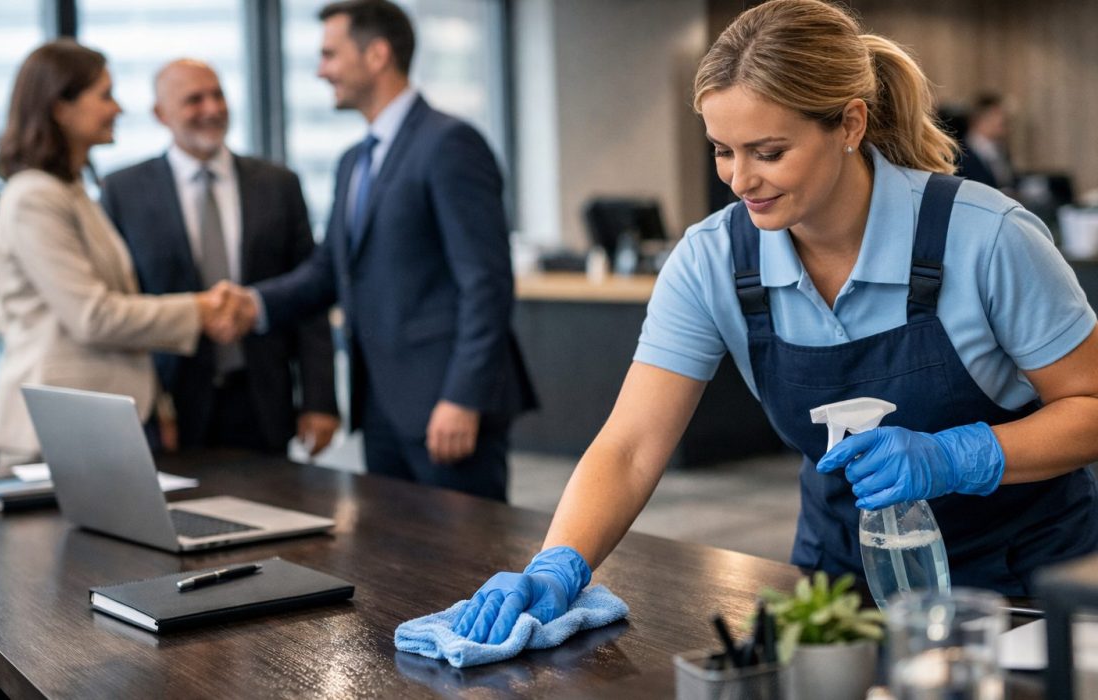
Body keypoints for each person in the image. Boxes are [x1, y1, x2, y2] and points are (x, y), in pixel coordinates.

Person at [452, 0, 1098, 645]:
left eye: (768, 151)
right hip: (842, 592)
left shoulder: (986, 237)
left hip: (1026, 592)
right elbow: (630, 446)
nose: (739, 179)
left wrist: (960, 455)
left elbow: (1090, 404)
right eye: (722, 151)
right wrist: (559, 562)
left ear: (849, 124)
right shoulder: (712, 260)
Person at [226, 0, 537, 501]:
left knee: (466, 565)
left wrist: (462, 396)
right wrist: (253, 304)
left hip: (446, 405)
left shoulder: (450, 142)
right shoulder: (354, 160)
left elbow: (487, 282)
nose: (321, 70)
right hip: (382, 406)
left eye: (330, 54)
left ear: (377, 55)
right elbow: (330, 269)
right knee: (398, 564)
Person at [0, 40, 246, 471]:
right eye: (104, 96)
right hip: (56, 434)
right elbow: (92, 316)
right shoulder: (33, 197)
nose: (118, 109)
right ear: (60, 108)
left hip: (98, 425)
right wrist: (199, 309)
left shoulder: (74, 194)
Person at [101, 59, 340, 456]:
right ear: (161, 114)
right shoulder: (122, 191)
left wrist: (319, 400)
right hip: (172, 407)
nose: (212, 109)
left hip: (263, 400)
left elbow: (310, 295)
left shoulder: (278, 184)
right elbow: (122, 303)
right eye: (194, 100)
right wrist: (149, 405)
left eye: (218, 95)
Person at [957, 92, 1015, 192]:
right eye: (998, 115)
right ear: (982, 119)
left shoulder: (1000, 150)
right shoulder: (960, 153)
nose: (1003, 121)